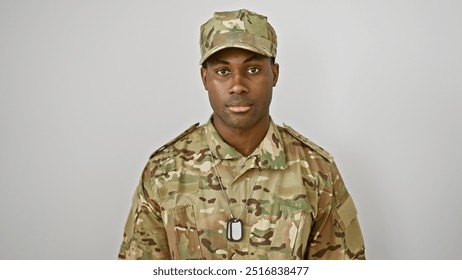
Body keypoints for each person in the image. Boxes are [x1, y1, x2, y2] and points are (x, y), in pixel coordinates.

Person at [118, 9, 365, 260]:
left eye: (253, 69)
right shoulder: (163, 171)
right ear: (205, 78)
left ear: (275, 75)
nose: (238, 85)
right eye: (223, 71)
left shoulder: (317, 172)